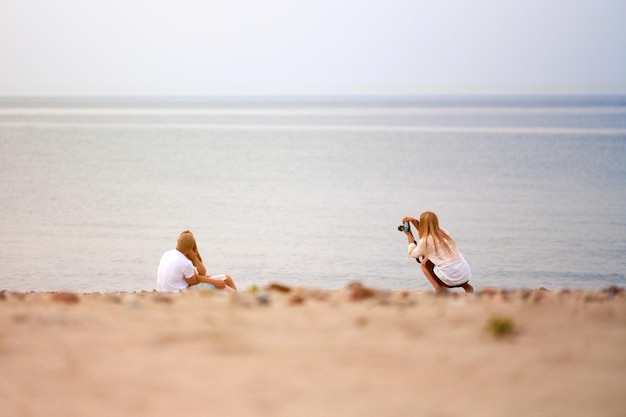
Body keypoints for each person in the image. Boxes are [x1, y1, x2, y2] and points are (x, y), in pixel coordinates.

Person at [402, 211, 473, 293]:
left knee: (424, 264)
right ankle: (467, 287)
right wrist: (414, 221)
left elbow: (413, 254)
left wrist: (409, 235)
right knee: (450, 261)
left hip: (449, 280)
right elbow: (427, 232)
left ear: (423, 223)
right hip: (466, 275)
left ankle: (438, 289)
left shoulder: (424, 241)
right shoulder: (444, 232)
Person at [156, 230, 238, 292]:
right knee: (222, 286)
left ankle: (236, 300)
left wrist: (195, 258)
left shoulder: (167, 254)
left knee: (227, 278)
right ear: (190, 249)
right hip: (179, 294)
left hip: (165, 291)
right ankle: (238, 301)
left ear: (178, 241)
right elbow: (194, 282)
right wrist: (213, 281)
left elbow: (201, 274)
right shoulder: (185, 263)